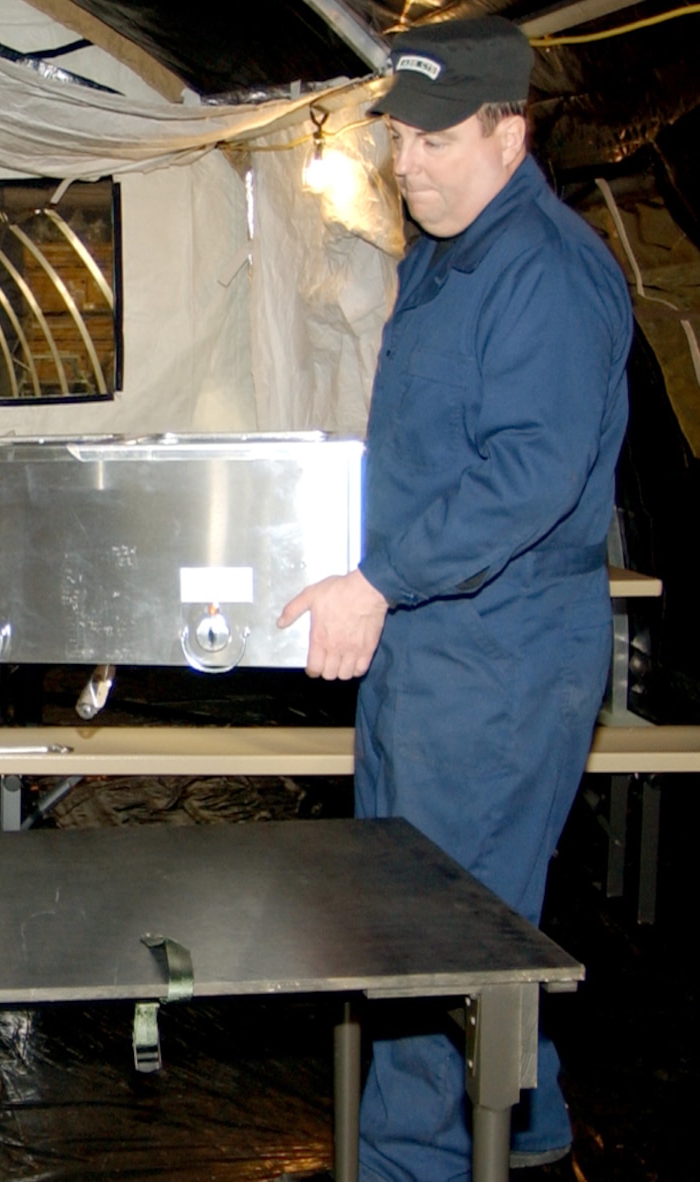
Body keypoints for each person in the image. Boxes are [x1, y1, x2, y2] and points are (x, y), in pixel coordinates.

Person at [279, 17, 630, 1180]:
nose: (406, 162)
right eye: (395, 135)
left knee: (426, 926)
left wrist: (376, 579)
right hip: (435, 642)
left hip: (496, 651)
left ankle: (409, 1163)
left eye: (433, 139)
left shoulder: (546, 271)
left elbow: (528, 473)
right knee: (455, 898)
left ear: (508, 132)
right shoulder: (448, 244)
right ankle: (521, 1120)